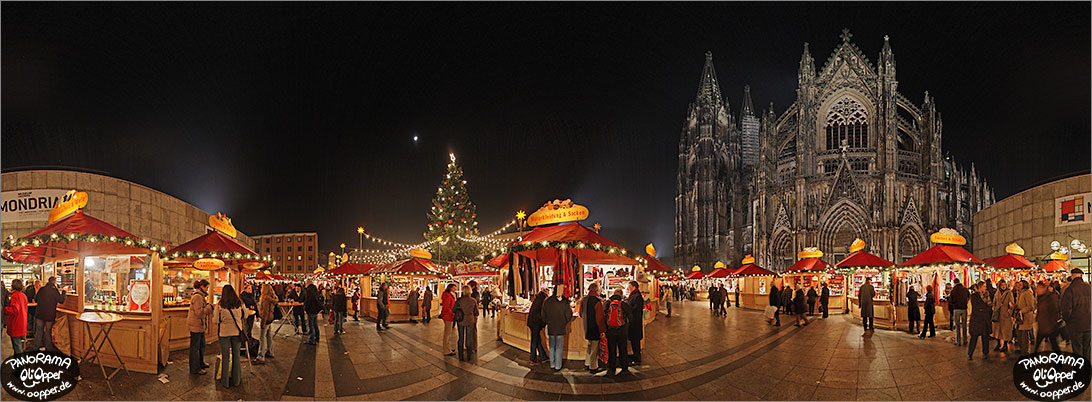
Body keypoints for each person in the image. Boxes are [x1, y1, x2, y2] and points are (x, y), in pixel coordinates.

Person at [217, 285, 246, 387]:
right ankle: (237, 380)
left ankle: (225, 382)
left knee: (225, 357)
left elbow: (215, 320)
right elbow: (245, 315)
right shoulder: (239, 303)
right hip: (237, 333)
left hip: (224, 333)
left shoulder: (220, 304)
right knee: (236, 356)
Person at [1060, 268, 1090, 361]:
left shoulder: (1070, 290)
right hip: (1089, 324)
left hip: (1076, 324)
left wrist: (1068, 320)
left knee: (1077, 349)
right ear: (1081, 276)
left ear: (1072, 277)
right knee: (1087, 349)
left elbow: (1066, 309)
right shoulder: (1089, 288)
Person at [541, 284, 573, 371]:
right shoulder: (565, 301)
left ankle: (552, 364)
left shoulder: (547, 301)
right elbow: (569, 315)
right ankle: (558, 366)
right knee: (559, 347)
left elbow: (543, 316)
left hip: (551, 327)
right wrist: (564, 322)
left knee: (551, 346)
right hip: (561, 327)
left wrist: (548, 322)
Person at [186, 279, 213, 374]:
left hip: (199, 325)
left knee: (201, 345)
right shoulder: (197, 297)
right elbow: (199, 313)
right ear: (202, 287)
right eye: (207, 287)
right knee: (195, 348)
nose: (208, 289)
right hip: (195, 325)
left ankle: (201, 363)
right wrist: (209, 307)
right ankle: (195, 368)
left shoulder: (201, 296)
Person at [33, 276, 66, 352]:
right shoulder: (55, 291)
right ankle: (48, 349)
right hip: (50, 314)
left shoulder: (42, 289)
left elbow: (36, 299)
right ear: (54, 282)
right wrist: (64, 293)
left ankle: (36, 348)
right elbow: (61, 301)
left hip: (40, 313)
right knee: (48, 331)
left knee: (39, 331)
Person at [605, 288, 630, 376]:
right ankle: (624, 367)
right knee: (623, 349)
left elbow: (604, 315)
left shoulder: (607, 303)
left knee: (612, 349)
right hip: (622, 330)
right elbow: (630, 316)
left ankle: (612, 367)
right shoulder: (623, 304)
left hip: (610, 331)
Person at [581, 283, 605, 374]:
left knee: (589, 346)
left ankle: (587, 364)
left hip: (586, 327)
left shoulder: (584, 300)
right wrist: (602, 330)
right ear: (596, 290)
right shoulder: (597, 301)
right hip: (594, 327)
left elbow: (580, 313)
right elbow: (600, 318)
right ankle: (593, 367)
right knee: (595, 348)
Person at [254, 283, 279, 364]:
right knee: (268, 336)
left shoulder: (265, 298)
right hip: (270, 318)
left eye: (262, 288)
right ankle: (270, 351)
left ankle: (261, 356)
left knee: (262, 337)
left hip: (266, 319)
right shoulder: (273, 298)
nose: (261, 289)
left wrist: (262, 323)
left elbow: (265, 312)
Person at [1033, 281, 1061, 353]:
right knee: (1040, 345)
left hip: (1049, 326)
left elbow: (1055, 310)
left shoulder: (1049, 298)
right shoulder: (1041, 298)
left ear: (1043, 289)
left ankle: (1059, 362)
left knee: (1054, 345)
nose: (1036, 290)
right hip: (1043, 325)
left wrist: (1052, 322)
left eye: (1038, 288)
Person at [967, 282, 992, 360]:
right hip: (977, 319)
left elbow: (989, 307)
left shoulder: (987, 295)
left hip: (985, 319)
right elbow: (977, 307)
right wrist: (984, 308)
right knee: (974, 337)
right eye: (984, 286)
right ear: (979, 287)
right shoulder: (974, 296)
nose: (985, 288)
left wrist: (985, 308)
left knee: (985, 337)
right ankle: (970, 353)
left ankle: (986, 352)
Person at [454, 285, 479, 361]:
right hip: (470, 320)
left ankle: (461, 355)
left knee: (461, 338)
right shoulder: (473, 300)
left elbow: (453, 310)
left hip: (460, 320)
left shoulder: (459, 300)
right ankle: (469, 355)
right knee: (469, 338)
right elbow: (476, 312)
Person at [4, 279, 28, 355]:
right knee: (18, 345)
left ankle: (20, 365)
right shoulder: (23, 295)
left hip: (16, 323)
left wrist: (5, 309)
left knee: (17, 347)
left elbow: (14, 310)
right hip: (22, 322)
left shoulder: (15, 295)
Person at [625, 281, 647, 364]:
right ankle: (635, 357)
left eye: (629, 286)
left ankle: (637, 358)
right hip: (634, 322)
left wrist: (627, 307)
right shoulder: (635, 295)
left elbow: (636, 309)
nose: (628, 288)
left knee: (635, 341)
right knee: (634, 341)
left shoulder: (637, 296)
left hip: (635, 323)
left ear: (634, 286)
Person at [526, 289, 548, 365]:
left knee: (537, 340)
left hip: (532, 322)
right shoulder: (543, 300)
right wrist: (543, 324)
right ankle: (532, 359)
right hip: (536, 323)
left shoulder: (537, 299)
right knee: (534, 341)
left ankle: (543, 357)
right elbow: (543, 314)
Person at [991, 279, 1014, 352]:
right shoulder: (997, 293)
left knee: (1005, 331)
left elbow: (1011, 303)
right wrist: (994, 308)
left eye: (1004, 285)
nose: (1003, 286)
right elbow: (994, 302)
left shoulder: (1009, 293)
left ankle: (1005, 345)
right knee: (997, 330)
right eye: (1002, 285)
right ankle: (998, 344)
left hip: (1005, 315)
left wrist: (1009, 312)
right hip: (998, 315)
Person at [1014, 280, 1036, 354]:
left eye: (1020, 284)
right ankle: (1021, 349)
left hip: (1026, 318)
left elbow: (1031, 306)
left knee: (1024, 336)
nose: (1019, 286)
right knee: (1019, 334)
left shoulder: (1028, 293)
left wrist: (1021, 311)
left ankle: (1025, 351)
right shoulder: (1019, 293)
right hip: (1019, 317)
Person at [949, 278, 970, 346]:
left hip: (956, 309)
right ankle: (965, 340)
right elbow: (969, 297)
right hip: (964, 308)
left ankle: (958, 341)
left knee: (957, 325)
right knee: (964, 325)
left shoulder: (953, 290)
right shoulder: (965, 289)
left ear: (954, 283)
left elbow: (951, 300)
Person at [440, 284, 458, 356]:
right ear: (450, 288)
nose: (455, 289)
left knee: (448, 333)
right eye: (453, 288)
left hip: (449, 316)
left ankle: (448, 348)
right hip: (448, 316)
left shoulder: (451, 295)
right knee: (447, 334)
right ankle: (446, 350)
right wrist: (451, 313)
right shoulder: (448, 296)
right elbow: (446, 307)